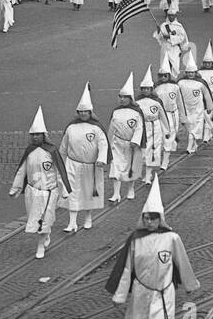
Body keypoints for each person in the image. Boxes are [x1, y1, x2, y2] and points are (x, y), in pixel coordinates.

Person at [105, 179, 200, 319]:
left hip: (163, 295)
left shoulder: (172, 238)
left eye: (154, 218)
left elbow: (182, 263)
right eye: (147, 218)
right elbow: (127, 268)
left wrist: (189, 285)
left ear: (161, 219)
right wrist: (119, 295)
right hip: (140, 294)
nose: (150, 222)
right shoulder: (135, 241)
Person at [9, 106, 71, 258]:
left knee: (44, 219)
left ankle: (40, 246)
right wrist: (15, 188)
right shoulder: (30, 152)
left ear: (43, 135)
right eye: (33, 135)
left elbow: (59, 172)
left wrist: (63, 190)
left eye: (38, 134)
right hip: (32, 192)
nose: (35, 137)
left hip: (49, 192)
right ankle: (46, 234)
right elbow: (22, 171)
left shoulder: (51, 151)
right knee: (35, 218)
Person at [59, 84, 109, 232]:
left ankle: (88, 218)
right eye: (80, 112)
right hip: (73, 164)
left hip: (91, 166)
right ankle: (72, 222)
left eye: (86, 112)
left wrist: (101, 159)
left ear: (90, 112)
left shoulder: (96, 128)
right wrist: (61, 163)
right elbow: (63, 147)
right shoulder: (71, 128)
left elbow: (103, 144)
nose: (83, 115)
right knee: (72, 191)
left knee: (88, 192)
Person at [108, 75, 148, 203]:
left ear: (130, 98)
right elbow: (112, 128)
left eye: (125, 97)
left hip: (131, 144)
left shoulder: (136, 112)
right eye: (121, 97)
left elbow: (140, 128)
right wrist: (108, 144)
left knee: (131, 167)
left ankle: (130, 189)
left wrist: (135, 141)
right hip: (117, 143)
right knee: (115, 167)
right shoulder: (116, 112)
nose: (123, 99)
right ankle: (116, 193)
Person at [176, 51, 213, 154]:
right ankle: (193, 144)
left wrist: (210, 107)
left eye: (192, 73)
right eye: (188, 73)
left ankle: (189, 147)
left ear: (195, 72)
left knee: (194, 126)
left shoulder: (200, 83)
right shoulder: (180, 82)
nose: (190, 74)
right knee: (189, 127)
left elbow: (207, 95)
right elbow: (177, 95)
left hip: (197, 108)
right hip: (185, 109)